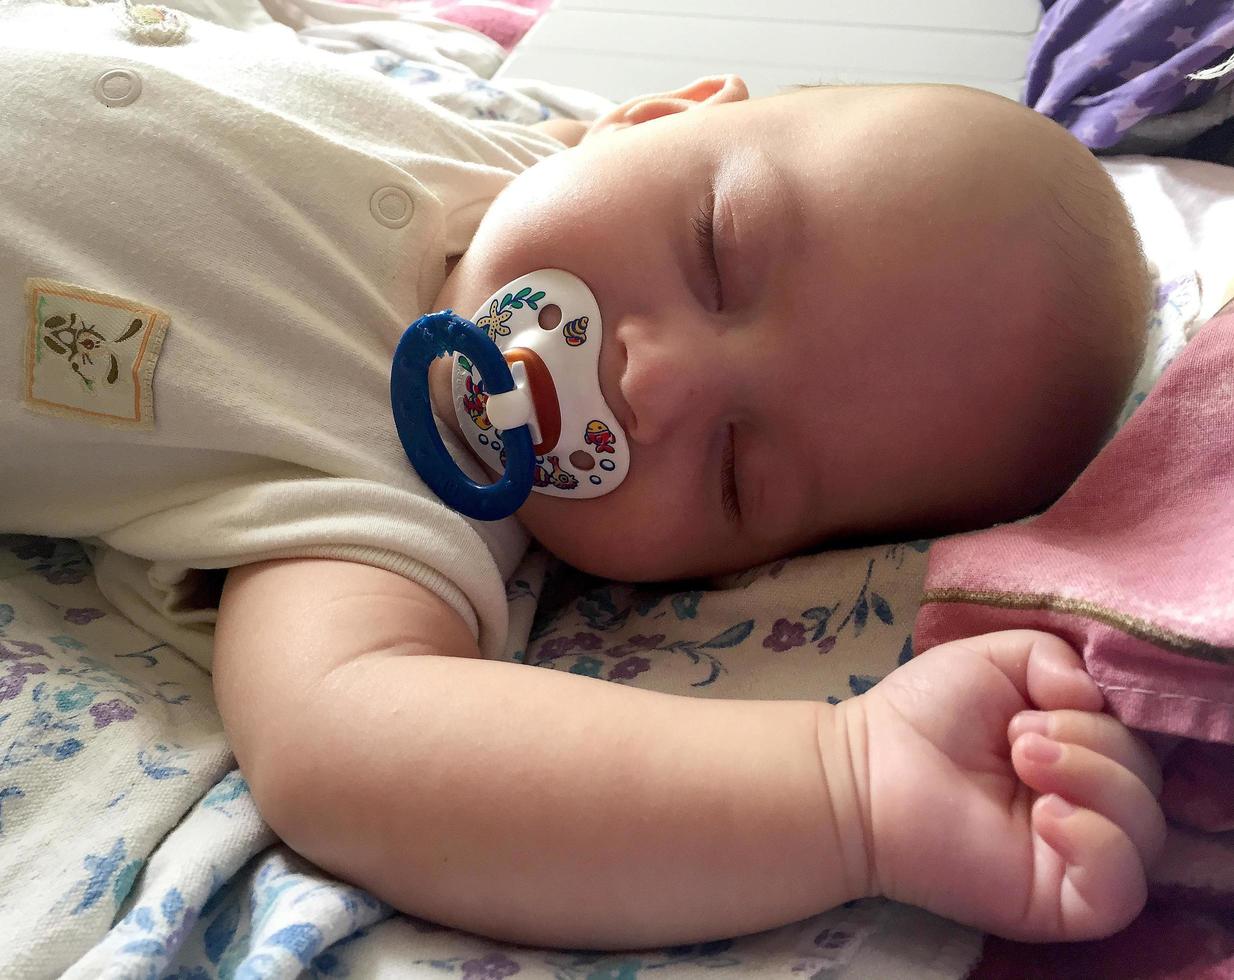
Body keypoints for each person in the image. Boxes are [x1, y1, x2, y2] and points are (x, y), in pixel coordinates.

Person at [0, 0, 1161, 952]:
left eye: (737, 468)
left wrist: (848, 787)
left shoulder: (400, 490)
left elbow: (351, 743)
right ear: (651, 117)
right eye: (715, 246)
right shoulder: (496, 148)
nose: (655, 385)